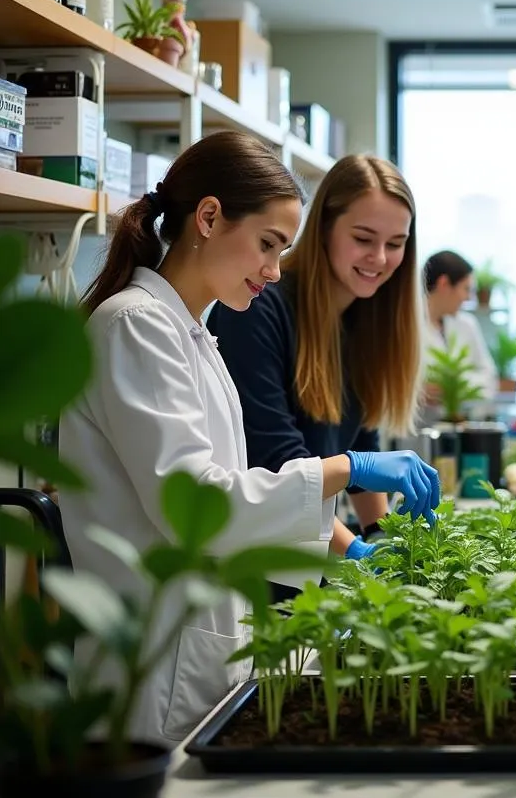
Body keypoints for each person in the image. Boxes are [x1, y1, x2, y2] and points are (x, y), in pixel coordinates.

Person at [59, 133, 440, 747]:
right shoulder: (134, 326)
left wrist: (362, 538)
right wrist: (346, 469)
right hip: (150, 666)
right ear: (208, 217)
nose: (274, 269)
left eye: (282, 250)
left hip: (198, 647)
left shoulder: (190, 334)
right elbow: (196, 506)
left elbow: (232, 497)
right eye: (267, 245)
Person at [209, 153, 428, 603]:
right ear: (325, 227)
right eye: (364, 238)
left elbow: (362, 442)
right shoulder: (259, 308)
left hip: (310, 555)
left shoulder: (363, 316)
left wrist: (383, 535)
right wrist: (358, 554)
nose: (380, 258)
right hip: (259, 570)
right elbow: (276, 463)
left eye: (396, 243)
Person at [423, 250, 498, 405]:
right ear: (444, 284)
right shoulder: (405, 326)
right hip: (419, 424)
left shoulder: (467, 324)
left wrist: (454, 386)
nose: (468, 297)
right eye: (466, 289)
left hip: (462, 419)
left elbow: (489, 379)